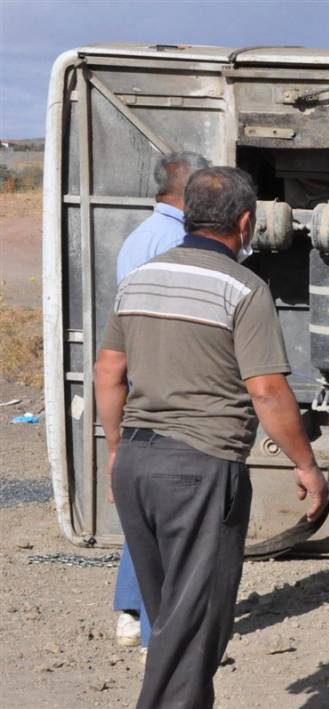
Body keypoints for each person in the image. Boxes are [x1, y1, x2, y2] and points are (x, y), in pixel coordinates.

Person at [94, 166, 329, 707]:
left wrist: (114, 454)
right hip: (198, 469)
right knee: (193, 630)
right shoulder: (242, 287)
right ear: (245, 222)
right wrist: (306, 467)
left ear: (188, 213)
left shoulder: (140, 278)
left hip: (137, 463)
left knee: (168, 619)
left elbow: (109, 372)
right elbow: (267, 390)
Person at [111, 151, 209, 654]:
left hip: (140, 381)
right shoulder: (175, 242)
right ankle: (160, 634)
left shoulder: (140, 236)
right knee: (173, 512)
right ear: (184, 188)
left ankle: (130, 612)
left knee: (147, 512)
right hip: (167, 388)